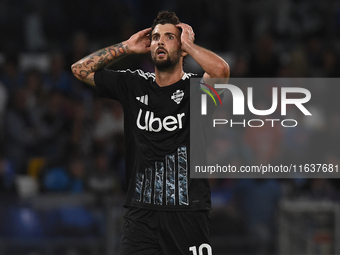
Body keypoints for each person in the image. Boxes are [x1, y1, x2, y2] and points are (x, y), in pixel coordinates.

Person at [71, 11, 229, 255]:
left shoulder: (197, 90)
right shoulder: (134, 84)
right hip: (141, 214)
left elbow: (221, 71)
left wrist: (189, 44)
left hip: (187, 212)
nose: (161, 42)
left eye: (169, 37)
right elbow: (80, 70)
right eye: (156, 37)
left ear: (183, 48)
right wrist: (125, 47)